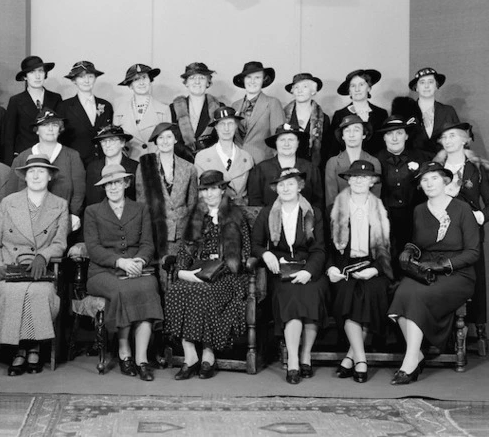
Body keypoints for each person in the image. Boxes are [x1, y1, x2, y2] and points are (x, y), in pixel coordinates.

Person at [388, 162, 480, 384]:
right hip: (426, 270)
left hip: (457, 274)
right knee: (400, 293)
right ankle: (417, 354)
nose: (428, 183)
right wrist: (409, 250)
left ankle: (410, 362)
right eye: (424, 180)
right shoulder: (420, 210)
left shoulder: (462, 209)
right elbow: (420, 243)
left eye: (434, 178)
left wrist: (443, 265)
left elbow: (473, 252)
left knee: (417, 296)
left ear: (445, 181)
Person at [0, 154, 69, 376]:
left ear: (50, 176)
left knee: (40, 292)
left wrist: (45, 255)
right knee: (12, 291)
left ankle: (32, 348)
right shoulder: (8, 202)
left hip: (39, 270)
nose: (36, 175)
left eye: (41, 171)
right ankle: (19, 349)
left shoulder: (60, 205)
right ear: (24, 176)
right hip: (9, 269)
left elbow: (60, 242)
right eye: (32, 171)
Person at [165, 170, 250, 381]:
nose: (209, 194)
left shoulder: (236, 215)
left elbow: (245, 250)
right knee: (178, 289)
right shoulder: (196, 215)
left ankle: (208, 354)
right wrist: (182, 271)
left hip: (226, 275)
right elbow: (185, 249)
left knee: (206, 292)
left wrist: (229, 268)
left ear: (222, 190)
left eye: (213, 189)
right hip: (199, 269)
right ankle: (190, 355)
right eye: (204, 190)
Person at [84, 164, 163, 381]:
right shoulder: (92, 211)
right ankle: (124, 351)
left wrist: (139, 260)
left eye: (117, 182)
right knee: (123, 290)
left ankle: (142, 359)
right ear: (104, 187)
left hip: (137, 269)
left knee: (148, 286)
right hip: (102, 272)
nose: (113, 187)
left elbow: (148, 243)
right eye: (108, 183)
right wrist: (120, 262)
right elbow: (94, 248)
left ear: (126, 183)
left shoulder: (141, 209)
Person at [251, 168, 329, 384]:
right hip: (282, 270)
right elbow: (255, 244)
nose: (285, 188)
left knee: (312, 293)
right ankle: (293, 360)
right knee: (292, 296)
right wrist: (266, 254)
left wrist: (308, 271)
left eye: (290, 184)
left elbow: (320, 249)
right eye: (281, 185)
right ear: (276, 188)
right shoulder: (268, 213)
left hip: (309, 268)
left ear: (299, 186)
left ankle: (306, 355)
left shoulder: (312, 212)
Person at [433, 122, 489, 354]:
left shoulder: (477, 168)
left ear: (465, 140)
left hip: (470, 234)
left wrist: (480, 216)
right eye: (444, 137)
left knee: (476, 281)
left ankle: (479, 328)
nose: (448, 140)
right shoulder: (435, 168)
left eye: (453, 136)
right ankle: (445, 333)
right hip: (441, 235)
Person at [326, 160, 393, 384]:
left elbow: (391, 249)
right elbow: (324, 248)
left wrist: (374, 270)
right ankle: (361, 359)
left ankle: (352, 358)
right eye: (354, 177)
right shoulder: (333, 210)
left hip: (374, 267)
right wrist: (331, 268)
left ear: (372, 181)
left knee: (371, 292)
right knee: (348, 295)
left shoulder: (384, 211)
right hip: (344, 268)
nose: (358, 181)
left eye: (364, 177)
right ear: (348, 180)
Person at [6, 110, 86, 236]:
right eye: (45, 125)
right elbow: (11, 192)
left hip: (62, 222)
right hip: (28, 224)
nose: (50, 129)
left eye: (54, 125)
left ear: (60, 129)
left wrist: (74, 214)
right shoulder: (22, 158)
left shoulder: (72, 156)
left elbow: (79, 191)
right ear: (37, 130)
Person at [375, 116, 429, 279]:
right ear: (384, 137)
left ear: (406, 135)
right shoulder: (375, 160)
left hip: (415, 219)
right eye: (390, 134)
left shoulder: (422, 158)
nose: (395, 138)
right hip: (386, 218)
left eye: (399, 133)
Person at [136, 123, 198, 258]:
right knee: (160, 274)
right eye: (160, 138)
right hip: (156, 231)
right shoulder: (145, 165)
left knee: (179, 272)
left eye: (169, 137)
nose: (165, 142)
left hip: (181, 232)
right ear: (156, 142)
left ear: (175, 139)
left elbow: (192, 203)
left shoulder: (189, 168)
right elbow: (141, 202)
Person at [3, 56, 63, 165]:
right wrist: (10, 163)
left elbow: (61, 130)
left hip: (52, 156)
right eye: (32, 72)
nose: (37, 76)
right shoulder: (16, 101)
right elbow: (9, 135)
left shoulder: (55, 98)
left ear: (45, 74)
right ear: (25, 77)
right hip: (25, 157)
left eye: (40, 71)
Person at [247, 123, 323, 208]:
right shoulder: (261, 169)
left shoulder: (310, 169)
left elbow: (318, 202)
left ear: (298, 143)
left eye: (291, 140)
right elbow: (254, 202)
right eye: (282, 140)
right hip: (268, 219)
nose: (286, 144)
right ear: (276, 143)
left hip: (303, 219)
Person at [392, 67, 460, 157]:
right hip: (413, 163)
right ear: (416, 87)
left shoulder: (448, 111)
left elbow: (459, 139)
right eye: (422, 82)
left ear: (436, 86)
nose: (426, 86)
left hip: (444, 163)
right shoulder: (406, 111)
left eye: (431, 82)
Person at [57, 61, 113, 168]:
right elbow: (60, 139)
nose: (86, 80)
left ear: (95, 78)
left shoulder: (106, 106)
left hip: (103, 163)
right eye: (81, 77)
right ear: (74, 80)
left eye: (90, 76)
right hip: (75, 164)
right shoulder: (64, 107)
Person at [194, 107, 254, 206]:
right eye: (222, 124)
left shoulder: (247, 157)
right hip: (211, 212)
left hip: (239, 213)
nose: (226, 128)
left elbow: (250, 192)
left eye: (230, 124)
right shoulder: (202, 157)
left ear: (236, 126)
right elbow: (197, 192)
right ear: (216, 127)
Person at [231, 61, 285, 165]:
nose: (252, 81)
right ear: (243, 80)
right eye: (249, 77)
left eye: (257, 77)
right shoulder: (235, 106)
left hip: (263, 164)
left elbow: (279, 137)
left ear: (263, 80)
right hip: (237, 164)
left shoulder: (273, 103)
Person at [113, 63, 171, 161]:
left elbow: (167, 141)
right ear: (130, 85)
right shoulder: (119, 111)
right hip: (129, 164)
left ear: (150, 81)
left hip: (154, 163)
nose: (141, 83)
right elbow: (115, 142)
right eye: (136, 79)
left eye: (144, 78)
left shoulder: (163, 109)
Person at [170, 62, 225, 163]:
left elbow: (222, 138)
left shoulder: (219, 107)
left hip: (210, 161)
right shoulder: (173, 108)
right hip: (181, 161)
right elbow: (170, 137)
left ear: (208, 82)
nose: (197, 82)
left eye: (202, 78)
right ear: (186, 83)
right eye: (192, 78)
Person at [324, 115, 381, 211]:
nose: (351, 135)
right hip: (341, 217)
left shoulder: (374, 162)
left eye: (356, 130)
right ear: (342, 136)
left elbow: (375, 198)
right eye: (347, 130)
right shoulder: (333, 163)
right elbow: (331, 199)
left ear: (364, 135)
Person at [330, 69, 388, 157]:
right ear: (349, 90)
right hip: (348, 165)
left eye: (361, 84)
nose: (357, 89)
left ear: (369, 87)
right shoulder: (340, 115)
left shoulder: (381, 114)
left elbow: (385, 144)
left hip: (376, 163)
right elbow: (333, 148)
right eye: (353, 86)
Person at [283, 73, 331, 169]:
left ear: (313, 91)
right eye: (296, 87)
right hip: (287, 167)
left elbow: (326, 149)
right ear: (292, 91)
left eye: (305, 87)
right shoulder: (282, 115)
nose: (300, 91)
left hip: (314, 168)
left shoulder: (323, 118)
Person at [85, 125, 138, 206]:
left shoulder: (135, 167)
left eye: (112, 140)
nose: (107, 145)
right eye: (103, 141)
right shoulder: (93, 167)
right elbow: (90, 198)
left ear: (122, 143)